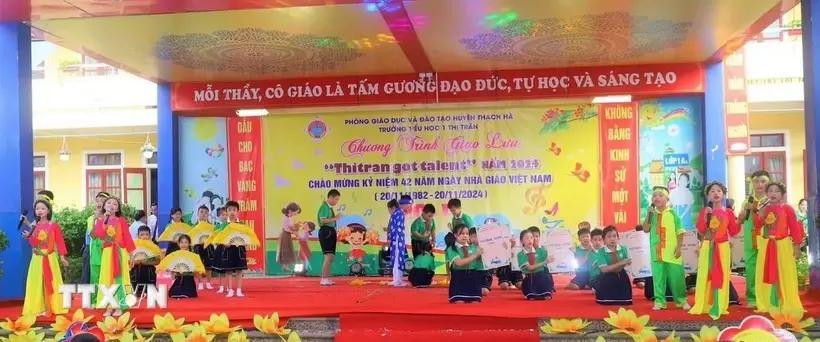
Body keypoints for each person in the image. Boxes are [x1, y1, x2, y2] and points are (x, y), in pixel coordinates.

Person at [689, 182, 741, 320]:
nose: (716, 193)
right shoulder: (705, 211)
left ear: (723, 194)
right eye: (712, 191)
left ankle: (719, 305)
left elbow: (734, 231)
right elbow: (700, 229)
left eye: (719, 191)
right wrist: (705, 216)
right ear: (708, 195)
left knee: (722, 275)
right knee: (705, 275)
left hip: (723, 247)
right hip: (707, 246)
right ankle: (704, 303)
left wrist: (740, 220)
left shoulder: (728, 212)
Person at [753, 182, 805, 315]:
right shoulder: (764, 207)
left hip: (783, 245)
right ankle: (770, 302)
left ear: (782, 194)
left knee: (784, 272)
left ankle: (785, 302)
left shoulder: (787, 208)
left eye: (776, 191)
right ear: (766, 194)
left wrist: (797, 246)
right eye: (770, 191)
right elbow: (757, 225)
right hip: (767, 245)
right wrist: (761, 213)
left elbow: (794, 228)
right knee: (767, 272)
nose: (773, 194)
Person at [643, 186, 689, 311]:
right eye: (654, 196)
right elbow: (646, 229)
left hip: (672, 252)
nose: (657, 198)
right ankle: (659, 302)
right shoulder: (652, 214)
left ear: (667, 199)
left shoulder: (673, 214)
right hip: (657, 252)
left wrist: (679, 247)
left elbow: (680, 232)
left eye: (660, 195)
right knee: (658, 279)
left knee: (677, 278)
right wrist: (648, 214)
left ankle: (681, 301)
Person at [21, 198, 69, 316]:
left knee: (53, 281)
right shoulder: (34, 226)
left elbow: (60, 242)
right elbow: (34, 243)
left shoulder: (54, 226)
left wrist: (62, 257)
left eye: (43, 208)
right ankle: (37, 308)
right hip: (37, 258)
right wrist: (29, 236)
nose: (40, 211)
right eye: (37, 209)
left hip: (50, 257)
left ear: (48, 211)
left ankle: (54, 307)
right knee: (35, 282)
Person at [93, 196, 135, 317]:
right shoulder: (101, 220)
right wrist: (103, 220)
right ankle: (109, 305)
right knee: (107, 278)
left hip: (119, 252)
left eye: (115, 204)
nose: (112, 205)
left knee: (119, 279)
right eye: (109, 203)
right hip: (107, 253)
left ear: (118, 208)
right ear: (104, 206)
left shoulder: (121, 220)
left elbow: (127, 237)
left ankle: (120, 305)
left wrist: (132, 255)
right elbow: (98, 235)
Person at [736, 170, 770, 307]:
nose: (759, 184)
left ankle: (767, 296)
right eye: (756, 181)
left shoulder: (770, 200)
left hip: (766, 239)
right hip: (750, 239)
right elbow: (740, 220)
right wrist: (744, 212)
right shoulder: (747, 201)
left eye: (763, 181)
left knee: (767, 267)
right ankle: (752, 298)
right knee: (751, 269)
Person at [591, 226, 633, 305]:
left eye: (614, 236)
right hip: (606, 278)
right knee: (605, 301)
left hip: (621, 276)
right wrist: (621, 263)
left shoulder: (623, 249)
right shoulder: (601, 251)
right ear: (604, 239)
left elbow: (627, 264)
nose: (612, 239)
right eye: (609, 236)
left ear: (618, 238)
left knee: (626, 301)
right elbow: (604, 269)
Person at [217, 201, 250, 297]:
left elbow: (246, 236)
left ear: (237, 212)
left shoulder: (242, 224)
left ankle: (239, 290)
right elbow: (219, 238)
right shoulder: (223, 225)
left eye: (234, 210)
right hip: (228, 250)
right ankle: (230, 289)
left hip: (240, 249)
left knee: (240, 270)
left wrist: (245, 242)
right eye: (230, 210)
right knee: (229, 270)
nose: (232, 212)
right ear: (226, 212)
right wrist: (224, 243)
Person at [446, 224, 483, 303]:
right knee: (460, 303)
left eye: (467, 234)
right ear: (455, 235)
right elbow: (459, 263)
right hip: (459, 279)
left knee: (475, 303)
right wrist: (476, 255)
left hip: (473, 278)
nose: (465, 236)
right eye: (462, 233)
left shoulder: (474, 247)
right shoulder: (452, 249)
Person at [518, 228, 555, 300]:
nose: (531, 239)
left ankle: (549, 287)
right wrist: (545, 262)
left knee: (547, 296)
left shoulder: (542, 251)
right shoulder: (521, 254)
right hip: (530, 278)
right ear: (521, 241)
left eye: (532, 237)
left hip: (542, 277)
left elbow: (553, 260)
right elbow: (530, 268)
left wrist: (567, 251)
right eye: (527, 238)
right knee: (531, 297)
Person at [82, 192, 110, 286]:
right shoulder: (91, 218)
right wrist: (95, 220)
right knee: (95, 275)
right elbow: (93, 235)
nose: (99, 203)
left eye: (102, 201)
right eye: (97, 201)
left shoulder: (111, 217)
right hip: (94, 249)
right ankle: (95, 298)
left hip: (107, 248)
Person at [318, 189, 342, 286]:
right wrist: (335, 218)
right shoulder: (324, 207)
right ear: (330, 197)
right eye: (336, 199)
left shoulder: (329, 208)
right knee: (328, 256)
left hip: (330, 231)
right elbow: (323, 220)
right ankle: (323, 278)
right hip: (326, 231)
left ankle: (326, 278)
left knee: (331, 256)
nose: (336, 202)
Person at [387, 195, 412, 287]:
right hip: (397, 239)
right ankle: (397, 281)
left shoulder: (398, 213)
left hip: (398, 239)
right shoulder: (399, 213)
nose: (409, 208)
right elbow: (395, 228)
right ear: (404, 204)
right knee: (397, 258)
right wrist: (392, 238)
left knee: (398, 258)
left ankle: (397, 280)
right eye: (409, 206)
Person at [190, 205, 214, 290]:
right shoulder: (194, 228)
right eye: (201, 212)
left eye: (206, 213)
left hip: (209, 246)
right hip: (197, 246)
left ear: (208, 215)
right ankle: (200, 282)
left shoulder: (211, 227)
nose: (203, 214)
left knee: (209, 265)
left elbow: (213, 237)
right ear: (198, 214)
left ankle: (208, 282)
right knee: (198, 264)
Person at [130, 226, 159, 297]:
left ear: (150, 235)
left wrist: (144, 262)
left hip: (149, 272)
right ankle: (136, 290)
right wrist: (137, 262)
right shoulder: (133, 245)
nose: (144, 236)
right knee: (134, 292)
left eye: (147, 234)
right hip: (136, 271)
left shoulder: (154, 246)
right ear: (138, 236)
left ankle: (150, 290)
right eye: (142, 234)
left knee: (150, 293)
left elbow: (157, 261)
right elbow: (129, 260)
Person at [169, 234, 198, 299]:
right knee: (173, 294)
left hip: (189, 278)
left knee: (188, 294)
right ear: (178, 244)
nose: (183, 244)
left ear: (189, 244)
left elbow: (196, 270)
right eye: (181, 242)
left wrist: (188, 271)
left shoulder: (193, 256)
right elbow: (172, 267)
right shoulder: (175, 255)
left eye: (186, 242)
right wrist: (176, 271)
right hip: (179, 277)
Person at [568, 226, 594, 290]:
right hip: (582, 274)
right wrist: (589, 251)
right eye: (583, 237)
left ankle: (588, 284)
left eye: (587, 236)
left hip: (593, 274)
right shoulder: (577, 250)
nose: (586, 238)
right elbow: (580, 263)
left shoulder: (595, 247)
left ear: (590, 237)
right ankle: (584, 284)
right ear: (579, 239)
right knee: (574, 287)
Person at [209, 207, 229, 293]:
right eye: (222, 215)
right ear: (218, 216)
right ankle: (221, 286)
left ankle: (228, 286)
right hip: (220, 249)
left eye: (226, 215)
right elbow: (214, 240)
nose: (224, 216)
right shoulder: (216, 226)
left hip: (228, 249)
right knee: (220, 270)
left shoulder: (230, 226)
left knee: (228, 270)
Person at [277, 203, 300, 272]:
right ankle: (285, 266)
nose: (296, 214)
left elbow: (291, 227)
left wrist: (295, 227)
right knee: (286, 249)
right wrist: (293, 232)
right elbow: (286, 228)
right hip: (285, 235)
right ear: (290, 211)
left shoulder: (289, 217)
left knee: (288, 250)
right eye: (295, 212)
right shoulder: (286, 217)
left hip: (287, 235)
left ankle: (286, 266)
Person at [469, 228, 492, 295]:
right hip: (473, 273)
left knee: (485, 292)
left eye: (475, 236)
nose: (473, 239)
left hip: (484, 273)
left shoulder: (486, 247)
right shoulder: (468, 248)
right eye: (471, 236)